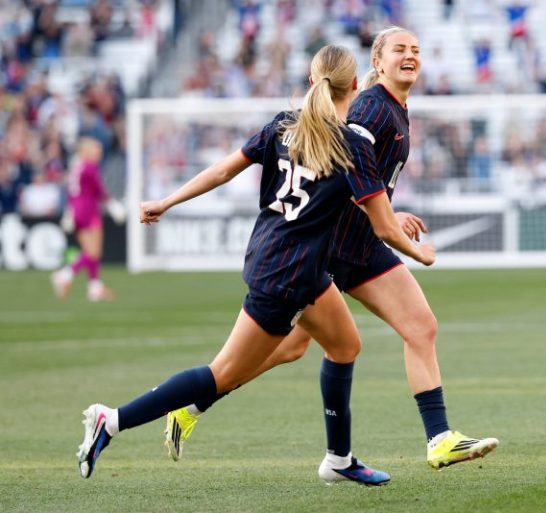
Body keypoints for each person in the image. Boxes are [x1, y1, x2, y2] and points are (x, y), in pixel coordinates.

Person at [76, 44, 435, 486]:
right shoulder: (353, 145)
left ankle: (339, 460)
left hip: (285, 262)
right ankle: (111, 420)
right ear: (356, 85)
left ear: (311, 81)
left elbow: (225, 170)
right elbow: (382, 226)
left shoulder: (283, 126)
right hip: (287, 278)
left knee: (344, 346)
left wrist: (167, 201)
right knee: (220, 374)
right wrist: (421, 254)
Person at [166, 27, 498, 471]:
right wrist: (390, 224)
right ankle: (193, 404)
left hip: (361, 244)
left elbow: (364, 181)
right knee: (289, 348)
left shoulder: (395, 107)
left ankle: (438, 439)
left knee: (416, 327)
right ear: (375, 63)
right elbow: (336, 167)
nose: (410, 56)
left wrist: (388, 214)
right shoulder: (369, 109)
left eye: (416, 50)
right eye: (399, 49)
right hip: (334, 249)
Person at [51, 137, 124, 302]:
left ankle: (94, 287)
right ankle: (65, 274)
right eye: (96, 150)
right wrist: (112, 204)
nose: (99, 154)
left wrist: (69, 211)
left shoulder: (76, 168)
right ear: (87, 151)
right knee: (94, 252)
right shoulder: (89, 167)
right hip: (89, 210)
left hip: (77, 210)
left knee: (88, 251)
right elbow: (98, 190)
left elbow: (71, 192)